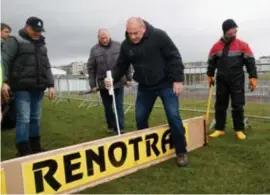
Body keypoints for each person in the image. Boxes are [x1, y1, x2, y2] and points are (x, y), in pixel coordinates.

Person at [105, 17, 188, 166]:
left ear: (143, 28)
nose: (132, 36)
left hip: (166, 83)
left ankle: (181, 151)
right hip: (145, 86)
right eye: (129, 33)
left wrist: (177, 80)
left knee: (173, 116)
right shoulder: (126, 46)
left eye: (135, 33)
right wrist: (112, 78)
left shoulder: (159, 36)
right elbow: (121, 66)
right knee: (140, 117)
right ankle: (145, 148)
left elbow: (174, 57)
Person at [1, 16, 55, 157]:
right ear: (27, 27)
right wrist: (4, 82)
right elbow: (4, 62)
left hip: (38, 87)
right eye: (35, 30)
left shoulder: (42, 45)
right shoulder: (15, 41)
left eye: (39, 30)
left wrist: (51, 84)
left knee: (35, 118)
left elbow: (46, 66)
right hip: (21, 87)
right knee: (23, 118)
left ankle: (35, 148)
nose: (38, 33)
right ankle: (23, 151)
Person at [207, 19, 257, 140]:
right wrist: (210, 75)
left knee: (238, 105)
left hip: (237, 80)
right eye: (232, 28)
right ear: (226, 30)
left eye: (235, 28)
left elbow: (250, 62)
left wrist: (253, 76)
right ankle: (219, 129)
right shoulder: (216, 46)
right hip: (222, 81)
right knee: (220, 106)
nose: (235, 30)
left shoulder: (242, 45)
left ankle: (239, 130)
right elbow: (211, 62)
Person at [87, 28, 132, 134]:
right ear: (98, 38)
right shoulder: (94, 50)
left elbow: (126, 63)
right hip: (103, 84)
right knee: (108, 107)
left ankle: (120, 128)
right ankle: (111, 126)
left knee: (119, 105)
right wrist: (92, 85)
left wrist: (128, 78)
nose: (105, 40)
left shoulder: (119, 46)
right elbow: (91, 68)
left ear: (109, 36)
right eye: (102, 38)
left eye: (106, 37)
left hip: (118, 82)